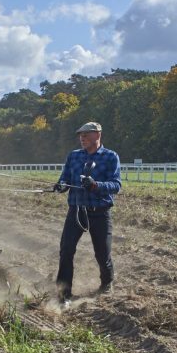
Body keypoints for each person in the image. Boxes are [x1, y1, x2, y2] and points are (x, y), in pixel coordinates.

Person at [53, 121, 121, 307]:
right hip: (76, 211)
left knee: (102, 253)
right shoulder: (73, 156)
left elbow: (116, 185)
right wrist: (61, 185)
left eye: (86, 134)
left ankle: (106, 285)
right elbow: (64, 178)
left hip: (100, 212)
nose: (81, 138)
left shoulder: (110, 157)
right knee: (66, 251)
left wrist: (95, 185)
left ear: (97, 135)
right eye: (80, 135)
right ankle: (63, 294)